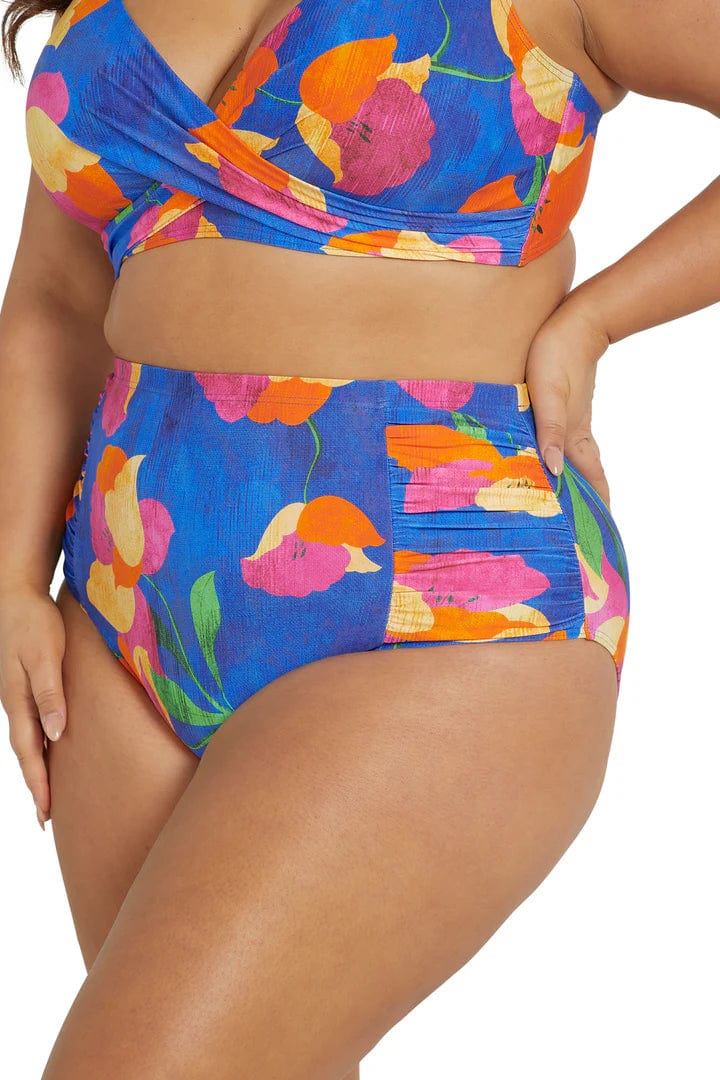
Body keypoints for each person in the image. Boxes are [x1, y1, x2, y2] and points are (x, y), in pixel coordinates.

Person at [0, 0, 716, 1076]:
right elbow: (56, 297)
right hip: (122, 604)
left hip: (445, 589)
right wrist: (13, 575)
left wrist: (595, 319)